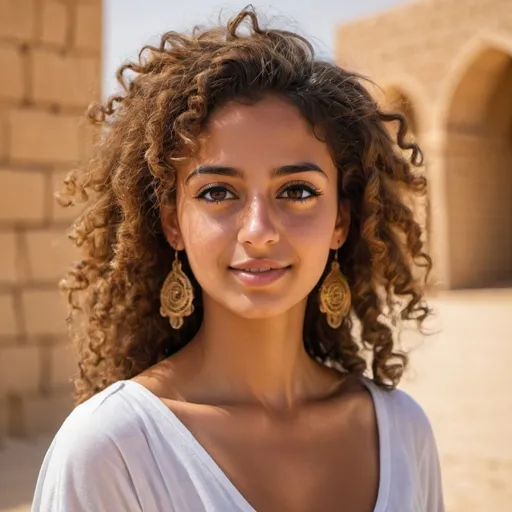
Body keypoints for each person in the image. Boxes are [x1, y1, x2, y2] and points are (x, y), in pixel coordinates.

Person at [32, 7, 444, 512]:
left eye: (296, 190)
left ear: (341, 220)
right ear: (172, 224)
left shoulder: (402, 432)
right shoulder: (112, 448)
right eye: (217, 192)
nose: (259, 232)